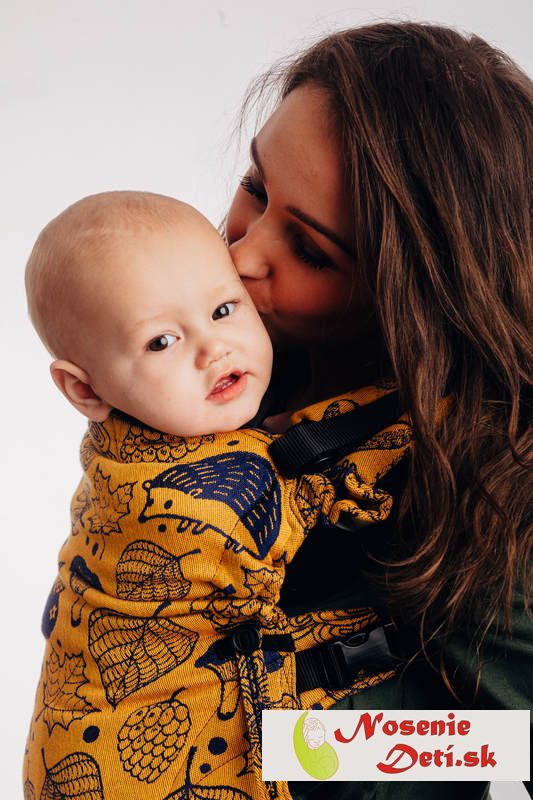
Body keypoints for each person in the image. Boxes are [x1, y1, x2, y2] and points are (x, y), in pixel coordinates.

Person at [225, 21, 532, 800]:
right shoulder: (228, 372)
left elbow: (515, 741)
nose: (242, 254)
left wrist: (286, 740)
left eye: (313, 251)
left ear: (417, 295)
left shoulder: (493, 497)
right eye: (256, 188)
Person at [23, 191, 409, 800]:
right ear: (83, 388)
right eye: (161, 342)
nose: (214, 348)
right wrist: (420, 405)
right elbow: (332, 484)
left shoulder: (120, 443)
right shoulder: (210, 499)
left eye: (225, 309)